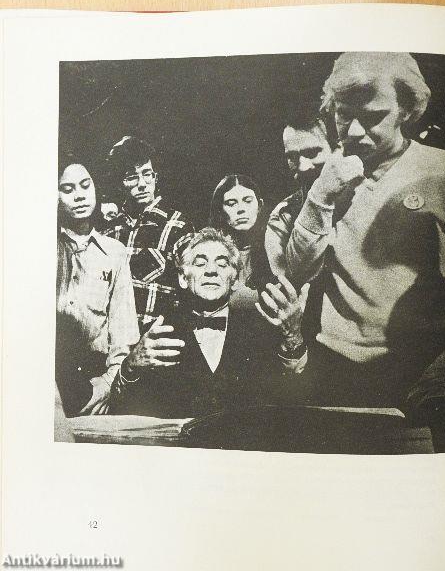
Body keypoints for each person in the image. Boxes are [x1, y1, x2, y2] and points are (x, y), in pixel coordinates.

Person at [277, 52, 445, 409]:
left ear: (406, 110)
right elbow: (298, 271)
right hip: (335, 370)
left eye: (373, 116)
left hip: (425, 374)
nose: (353, 131)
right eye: (343, 114)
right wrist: (321, 193)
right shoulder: (327, 175)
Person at [109, 228, 309, 418]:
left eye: (222, 264)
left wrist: (293, 335)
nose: (211, 270)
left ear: (235, 280)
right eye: (200, 263)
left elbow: (295, 398)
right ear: (182, 278)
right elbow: (123, 408)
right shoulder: (157, 336)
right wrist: (130, 366)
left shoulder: (260, 330)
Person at [56, 156, 139, 417]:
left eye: (85, 185)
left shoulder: (115, 252)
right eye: (67, 189)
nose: (79, 196)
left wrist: (107, 385)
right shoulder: (43, 246)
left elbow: (124, 333)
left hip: (96, 384)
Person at [103, 136, 194, 332]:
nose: (142, 184)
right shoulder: (108, 232)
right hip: (112, 343)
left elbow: (193, 294)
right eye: (131, 177)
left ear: (156, 177)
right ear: (119, 184)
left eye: (147, 174)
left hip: (159, 341)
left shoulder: (178, 227)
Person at [265, 116, 332, 280]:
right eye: (292, 157)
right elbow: (286, 280)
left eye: (312, 153)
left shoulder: (367, 194)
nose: (302, 167)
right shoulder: (282, 215)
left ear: (337, 149)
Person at [209, 174, 272, 309]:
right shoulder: (210, 251)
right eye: (231, 204)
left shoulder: (275, 247)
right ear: (220, 211)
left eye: (248, 201)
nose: (241, 209)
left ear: (260, 206)